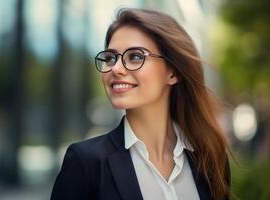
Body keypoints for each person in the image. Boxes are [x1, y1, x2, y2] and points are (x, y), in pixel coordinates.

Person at [51, 8, 231, 200]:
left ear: (173, 73)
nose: (116, 69)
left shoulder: (209, 160)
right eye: (111, 58)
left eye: (135, 56)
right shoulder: (86, 162)